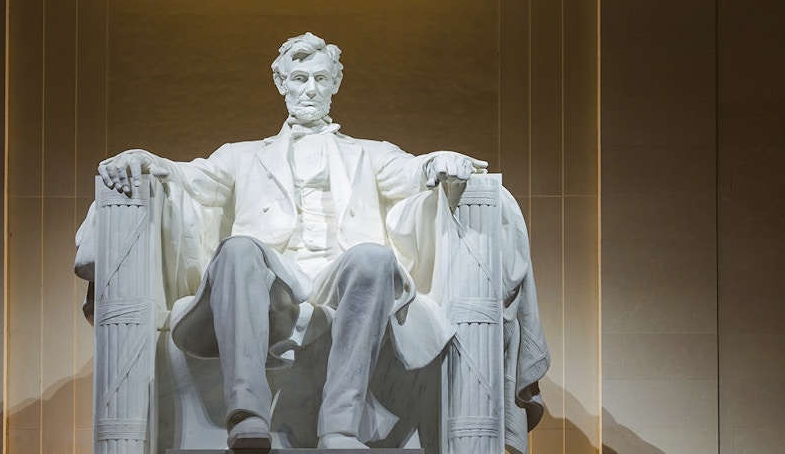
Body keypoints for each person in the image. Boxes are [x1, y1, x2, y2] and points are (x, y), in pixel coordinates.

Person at [88, 33, 546, 451]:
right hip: (271, 282)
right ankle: (246, 415)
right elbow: (192, 176)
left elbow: (411, 170)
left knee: (373, 257)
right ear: (282, 83)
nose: (309, 88)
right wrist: (149, 160)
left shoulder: (369, 152)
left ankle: (340, 426)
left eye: (320, 79)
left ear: (335, 85)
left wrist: (437, 162)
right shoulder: (241, 155)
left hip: (340, 276)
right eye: (300, 78)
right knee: (238, 248)